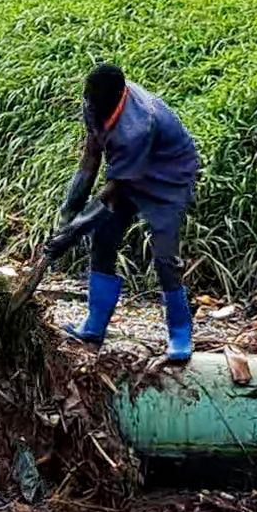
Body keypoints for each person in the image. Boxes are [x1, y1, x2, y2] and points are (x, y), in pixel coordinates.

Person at [49, 64, 201, 362]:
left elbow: (113, 191)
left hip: (168, 175)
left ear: (119, 96)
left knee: (164, 255)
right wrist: (67, 215)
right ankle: (94, 326)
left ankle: (180, 333)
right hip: (128, 172)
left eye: (95, 103)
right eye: (87, 100)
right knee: (104, 236)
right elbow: (91, 156)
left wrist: (72, 233)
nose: (90, 107)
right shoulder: (94, 100)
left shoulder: (139, 124)